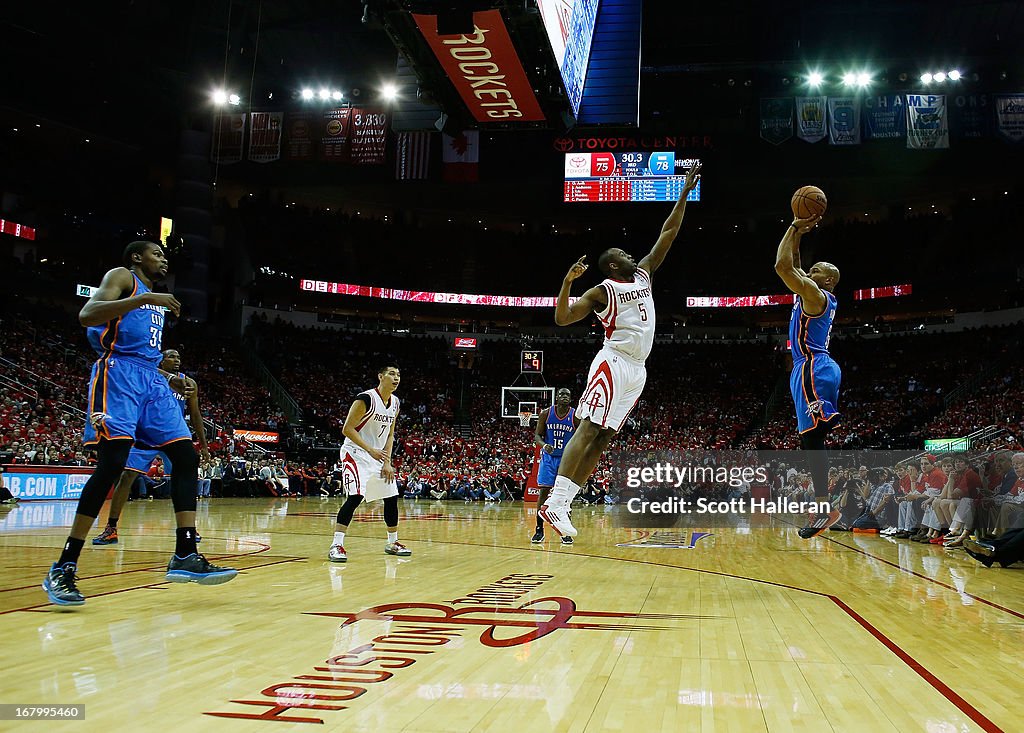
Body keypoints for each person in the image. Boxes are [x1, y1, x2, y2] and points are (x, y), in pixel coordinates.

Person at [43, 241, 235, 606]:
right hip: (118, 374)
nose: (163, 259)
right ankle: (65, 566)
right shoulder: (123, 278)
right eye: (156, 254)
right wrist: (144, 301)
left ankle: (185, 553)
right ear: (136, 257)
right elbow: (88, 315)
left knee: (185, 456)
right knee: (113, 463)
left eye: (164, 256)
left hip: (152, 379)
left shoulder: (153, 296)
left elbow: (145, 349)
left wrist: (168, 376)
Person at [537, 164, 701, 539]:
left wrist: (684, 193)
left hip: (638, 370)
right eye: (624, 253)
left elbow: (668, 233)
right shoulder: (602, 289)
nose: (632, 254)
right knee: (590, 425)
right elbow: (563, 318)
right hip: (613, 361)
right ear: (613, 264)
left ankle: (564, 503)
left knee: (606, 436)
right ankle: (555, 502)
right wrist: (566, 283)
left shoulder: (643, 274)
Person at [91, 348, 210, 545]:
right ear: (160, 361)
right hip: (146, 432)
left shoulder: (188, 383)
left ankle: (190, 528)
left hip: (174, 434)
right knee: (127, 476)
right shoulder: (147, 376)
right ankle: (111, 528)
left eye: (179, 356)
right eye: (171, 356)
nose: (177, 359)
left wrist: (203, 445)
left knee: (185, 478)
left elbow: (196, 414)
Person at [773, 213, 842, 538]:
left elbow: (782, 267)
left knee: (815, 433)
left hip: (813, 366)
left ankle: (828, 415)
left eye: (816, 272)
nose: (809, 273)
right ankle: (823, 506)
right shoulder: (812, 292)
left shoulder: (815, 296)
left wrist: (793, 227)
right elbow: (796, 263)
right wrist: (800, 231)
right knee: (810, 440)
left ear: (828, 281)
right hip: (812, 367)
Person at [328, 365, 411, 562]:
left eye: (399, 374)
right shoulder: (365, 398)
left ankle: (392, 542)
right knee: (356, 496)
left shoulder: (396, 403)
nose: (396, 378)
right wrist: (370, 449)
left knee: (391, 497)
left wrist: (387, 462)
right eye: (392, 374)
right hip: (356, 453)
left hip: (378, 456)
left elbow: (390, 435)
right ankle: (336, 545)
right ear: (380, 376)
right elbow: (347, 429)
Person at [530, 388, 578, 545]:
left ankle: (565, 532)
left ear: (570, 399)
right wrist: (544, 446)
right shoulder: (546, 413)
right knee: (543, 492)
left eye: (567, 395)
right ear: (556, 397)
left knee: (564, 497)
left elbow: (581, 437)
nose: (564, 397)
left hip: (567, 460)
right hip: (549, 458)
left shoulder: (575, 415)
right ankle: (539, 530)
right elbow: (537, 435)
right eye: (562, 394)